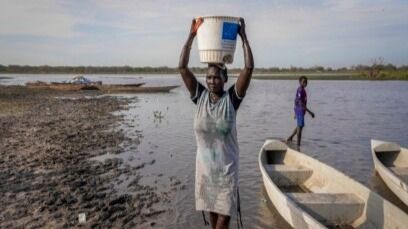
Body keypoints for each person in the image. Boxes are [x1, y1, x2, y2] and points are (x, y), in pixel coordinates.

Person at [178, 17, 254, 229]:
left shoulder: (232, 100)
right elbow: (182, 67)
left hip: (226, 172)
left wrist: (244, 37)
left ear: (225, 78)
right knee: (213, 222)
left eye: (216, 78)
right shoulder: (199, 97)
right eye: (209, 78)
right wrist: (192, 35)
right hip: (205, 172)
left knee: (223, 220)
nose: (211, 81)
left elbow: (248, 68)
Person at [287, 76, 315, 149]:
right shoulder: (300, 90)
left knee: (300, 126)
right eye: (304, 82)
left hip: (300, 110)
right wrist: (310, 112)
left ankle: (290, 137)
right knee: (300, 127)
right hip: (300, 109)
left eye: (306, 82)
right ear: (300, 82)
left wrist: (296, 112)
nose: (305, 83)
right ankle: (298, 146)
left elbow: (295, 100)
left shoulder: (303, 90)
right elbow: (300, 102)